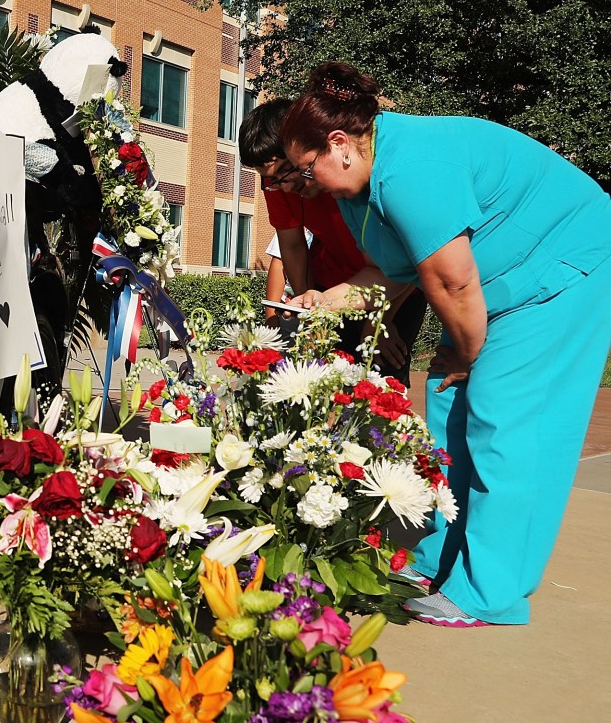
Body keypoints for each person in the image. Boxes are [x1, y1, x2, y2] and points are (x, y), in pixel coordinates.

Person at [281, 62, 611, 627]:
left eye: (305, 170)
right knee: (444, 404)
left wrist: (465, 349)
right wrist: (331, 297)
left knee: (507, 418)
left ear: (339, 145)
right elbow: (397, 272)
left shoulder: (411, 167)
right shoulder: (359, 188)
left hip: (564, 268)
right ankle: (437, 560)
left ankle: (490, 593)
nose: (302, 185)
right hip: (506, 283)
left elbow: (453, 281)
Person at [240, 99, 425, 383]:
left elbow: (410, 255)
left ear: (300, 149)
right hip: (331, 284)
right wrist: (308, 309)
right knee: (321, 381)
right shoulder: (278, 186)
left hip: (398, 288)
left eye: (284, 173)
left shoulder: (347, 177)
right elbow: (292, 245)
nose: (281, 187)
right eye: (269, 180)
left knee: (379, 377)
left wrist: (378, 321)